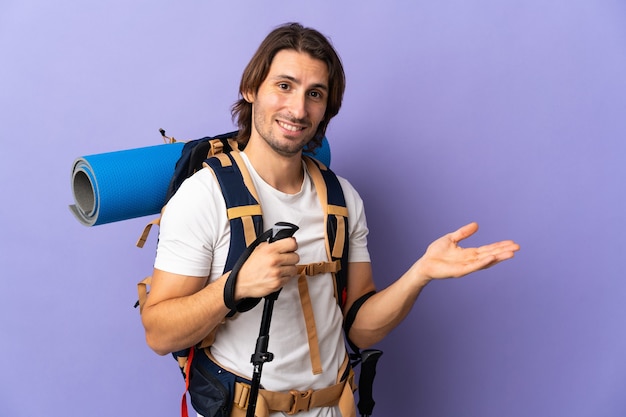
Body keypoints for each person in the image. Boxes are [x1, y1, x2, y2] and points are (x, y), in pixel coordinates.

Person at [141, 22, 520, 417]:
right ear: (252, 90)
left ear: (326, 110)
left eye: (315, 94)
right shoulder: (205, 195)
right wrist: (234, 287)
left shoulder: (342, 199)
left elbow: (359, 327)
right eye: (284, 86)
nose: (298, 109)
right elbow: (159, 332)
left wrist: (420, 274)